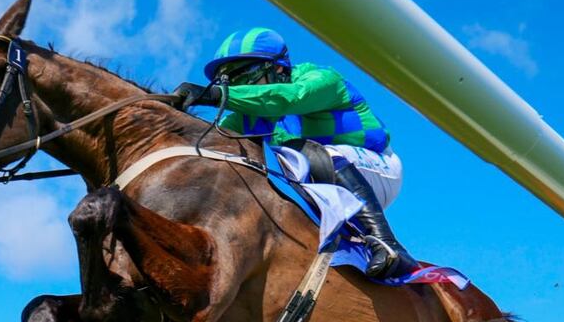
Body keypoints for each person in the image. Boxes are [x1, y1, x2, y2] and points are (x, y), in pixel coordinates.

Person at [174, 27, 419, 279]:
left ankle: (389, 245)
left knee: (302, 153)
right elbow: (208, 139)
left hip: (378, 167)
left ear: (278, 68)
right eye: (229, 82)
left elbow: (288, 98)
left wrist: (215, 95)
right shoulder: (252, 116)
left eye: (245, 76)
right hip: (323, 175)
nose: (240, 88)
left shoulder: (322, 80)